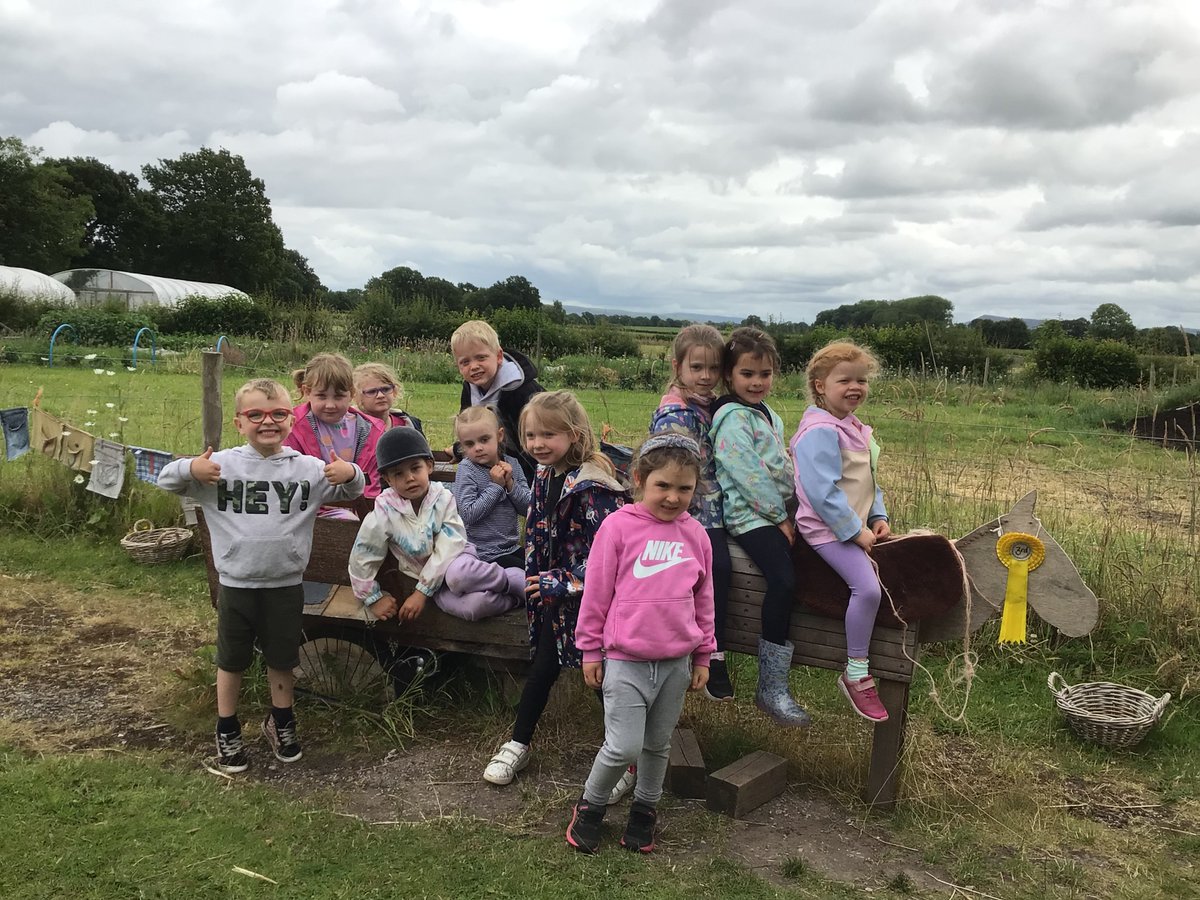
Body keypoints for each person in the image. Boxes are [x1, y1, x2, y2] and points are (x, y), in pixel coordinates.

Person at [158, 378, 365, 773]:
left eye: (278, 414)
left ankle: (281, 722)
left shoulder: (308, 469)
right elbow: (167, 479)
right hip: (237, 584)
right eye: (256, 415)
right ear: (239, 422)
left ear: (291, 419)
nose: (267, 422)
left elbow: (352, 489)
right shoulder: (219, 467)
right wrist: (191, 467)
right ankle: (227, 727)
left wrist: (349, 470)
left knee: (282, 658)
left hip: (286, 584)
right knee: (231, 660)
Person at [565, 433, 715, 854]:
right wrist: (590, 649)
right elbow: (596, 593)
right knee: (623, 745)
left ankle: (645, 810)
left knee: (656, 745)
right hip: (625, 660)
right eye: (662, 485)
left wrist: (704, 654)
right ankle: (590, 806)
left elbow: (704, 600)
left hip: (675, 664)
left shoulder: (697, 536)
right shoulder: (618, 527)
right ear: (639, 480)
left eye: (684, 488)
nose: (673, 497)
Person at [482, 391, 629, 786]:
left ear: (574, 434)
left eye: (548, 435)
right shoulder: (545, 474)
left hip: (592, 602)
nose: (537, 444)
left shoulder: (595, 487)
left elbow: (610, 555)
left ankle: (626, 759)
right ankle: (519, 742)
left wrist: (558, 581)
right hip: (555, 602)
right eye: (531, 435)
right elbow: (538, 524)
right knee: (543, 670)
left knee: (601, 680)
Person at [710, 327, 810, 727]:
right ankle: (771, 687)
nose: (757, 382)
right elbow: (748, 474)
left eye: (765, 374)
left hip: (773, 509)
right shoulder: (732, 419)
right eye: (747, 374)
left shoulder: (766, 413)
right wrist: (779, 516)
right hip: (748, 514)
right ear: (729, 376)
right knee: (783, 579)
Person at [791, 341, 891, 723]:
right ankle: (856, 672)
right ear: (820, 386)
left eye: (861, 380)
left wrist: (877, 514)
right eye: (844, 380)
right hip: (826, 529)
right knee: (867, 589)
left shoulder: (851, 426)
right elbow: (822, 492)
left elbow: (867, 478)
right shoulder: (819, 431)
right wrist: (853, 531)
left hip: (852, 524)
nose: (855, 387)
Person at [348, 427, 525, 623]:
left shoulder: (443, 499)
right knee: (473, 608)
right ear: (387, 479)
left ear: (429, 466)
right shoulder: (384, 513)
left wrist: (421, 592)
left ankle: (512, 580)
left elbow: (450, 544)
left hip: (457, 559)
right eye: (398, 474)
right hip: (434, 585)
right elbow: (363, 554)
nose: (409, 478)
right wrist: (372, 598)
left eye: (415, 468)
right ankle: (515, 599)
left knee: (459, 576)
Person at [649, 323, 734, 702]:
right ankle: (711, 652)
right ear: (677, 366)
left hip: (716, 502)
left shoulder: (709, 406)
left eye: (713, 368)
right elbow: (676, 472)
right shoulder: (677, 414)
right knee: (718, 568)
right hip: (695, 507)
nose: (705, 376)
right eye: (696, 367)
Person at [285, 353, 386, 508]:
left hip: (357, 508)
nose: (330, 405)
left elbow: (371, 486)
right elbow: (287, 476)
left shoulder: (371, 431)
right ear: (307, 392)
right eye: (321, 396)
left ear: (352, 394)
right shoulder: (291, 426)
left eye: (338, 397)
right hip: (306, 507)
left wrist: (364, 512)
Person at [451, 320, 543, 480]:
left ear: (499, 356)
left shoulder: (522, 390)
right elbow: (471, 427)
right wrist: (459, 448)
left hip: (529, 471)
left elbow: (539, 439)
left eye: (481, 358)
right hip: (491, 470)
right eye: (465, 362)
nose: (474, 366)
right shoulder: (469, 388)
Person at [451, 405, 531, 573]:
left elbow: (527, 509)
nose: (478, 447)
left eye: (484, 439)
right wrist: (495, 486)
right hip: (481, 552)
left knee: (540, 566)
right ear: (462, 445)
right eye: (469, 444)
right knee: (527, 572)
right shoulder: (467, 469)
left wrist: (510, 484)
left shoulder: (513, 465)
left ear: (499, 435)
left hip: (511, 547)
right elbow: (468, 514)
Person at [353, 362, 424, 434]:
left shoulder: (408, 424)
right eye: (372, 392)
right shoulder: (352, 429)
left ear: (395, 390)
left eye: (386, 389)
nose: (380, 395)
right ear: (356, 396)